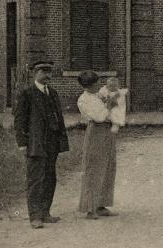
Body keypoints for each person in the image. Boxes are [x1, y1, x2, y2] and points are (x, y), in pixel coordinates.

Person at [13, 60, 69, 229]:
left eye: (49, 72)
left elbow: (59, 118)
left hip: (52, 142)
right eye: (43, 71)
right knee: (36, 179)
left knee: (50, 177)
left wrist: (61, 140)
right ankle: (35, 216)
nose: (47, 75)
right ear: (34, 73)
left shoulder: (53, 93)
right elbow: (19, 120)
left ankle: (45, 212)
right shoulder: (27, 94)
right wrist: (22, 142)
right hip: (36, 142)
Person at [76, 72, 127, 219]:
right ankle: (90, 208)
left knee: (108, 166)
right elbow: (98, 117)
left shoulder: (99, 95)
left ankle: (102, 204)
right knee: (93, 168)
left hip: (107, 132)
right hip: (96, 133)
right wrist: (109, 106)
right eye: (95, 83)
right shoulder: (83, 99)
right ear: (88, 85)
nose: (98, 85)